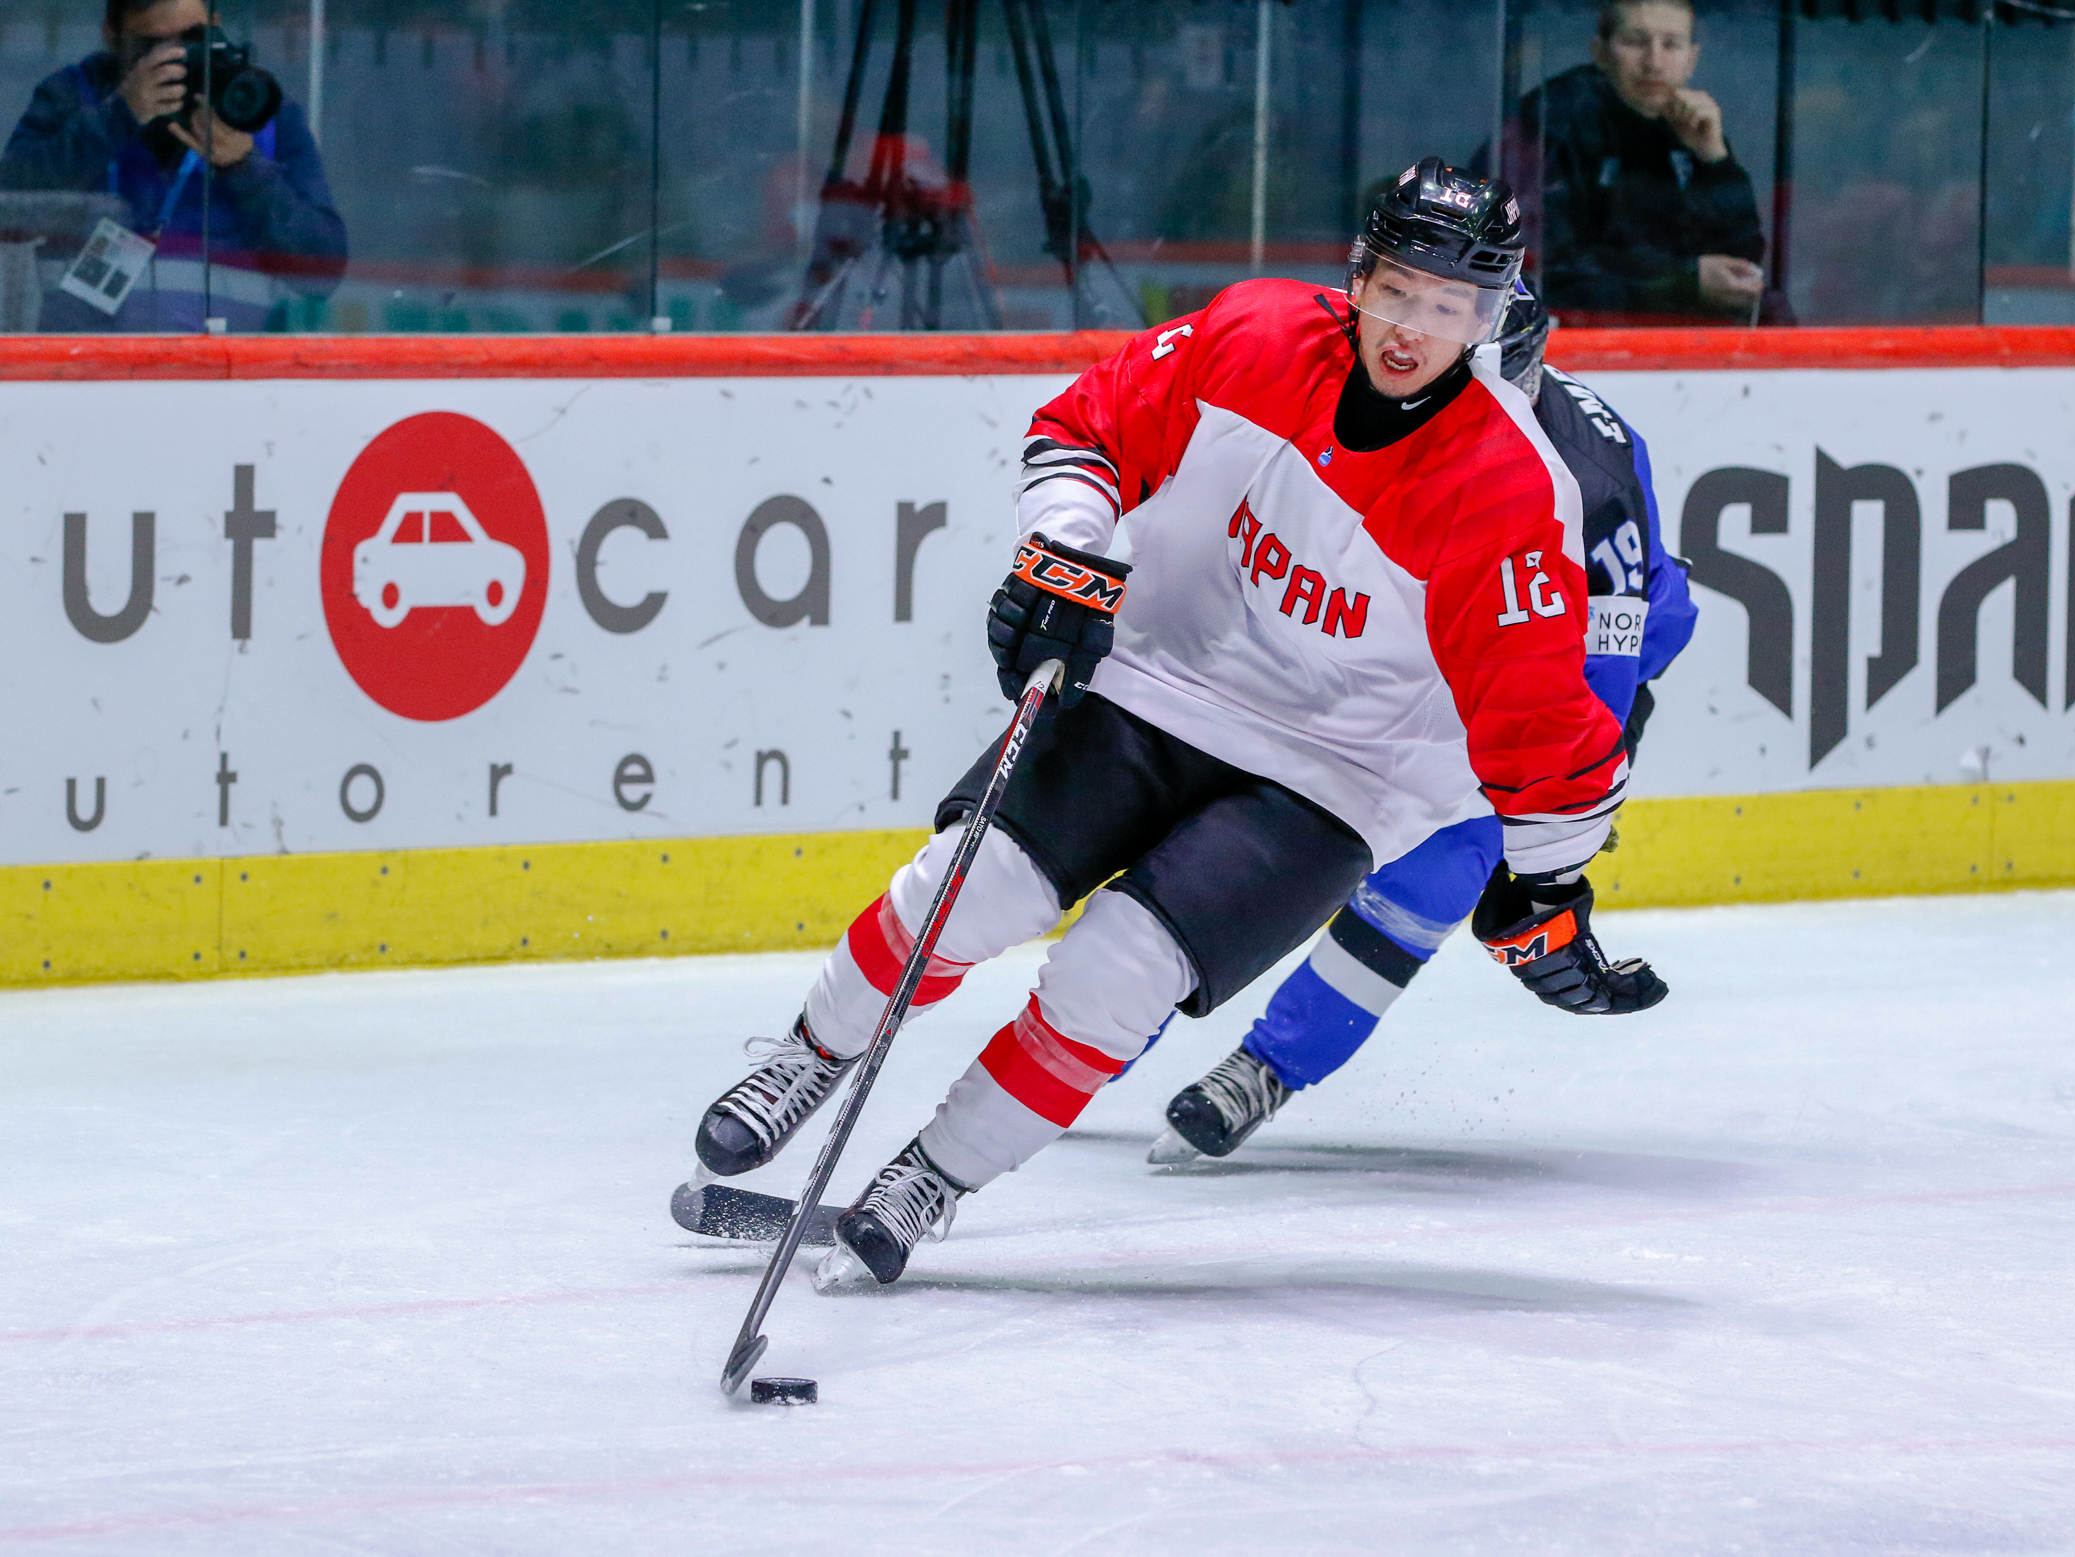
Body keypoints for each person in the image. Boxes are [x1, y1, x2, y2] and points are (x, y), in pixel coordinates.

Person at [685, 158, 1669, 1290]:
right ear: (1357, 276)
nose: (1411, 327)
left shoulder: (1507, 489)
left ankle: (931, 1177)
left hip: (1333, 778)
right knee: (965, 886)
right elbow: (1087, 428)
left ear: (1486, 320)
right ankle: (809, 1059)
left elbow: (1537, 710)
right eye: (1397, 289)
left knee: (1118, 974)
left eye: (1448, 307)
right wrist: (1064, 556)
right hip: (1156, 681)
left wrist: (1546, 884)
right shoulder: (1254, 335)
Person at [1145, 284, 1698, 1162]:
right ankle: (1113, 1020)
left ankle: (1269, 1069)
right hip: (1393, 642)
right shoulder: (1357, 392)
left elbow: (1591, 692)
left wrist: (1548, 861)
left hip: (1522, 670)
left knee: (1438, 872)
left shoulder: (1586, 478)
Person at [0, 0, 345, 332]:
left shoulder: (257, 108)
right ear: (111, 34)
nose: (173, 59)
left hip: (229, 372)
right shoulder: (74, 95)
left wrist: (244, 165)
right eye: (149, 45)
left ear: (214, 27)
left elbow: (321, 271)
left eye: (191, 39)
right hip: (81, 368)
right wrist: (118, 116)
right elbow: (11, 206)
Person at [1496, 0, 1782, 327]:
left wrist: (1715, 159)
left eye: (1671, 45)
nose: (1654, 63)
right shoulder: (1551, 124)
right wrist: (1683, 284)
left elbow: (1744, 260)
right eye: (1635, 42)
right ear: (1600, 52)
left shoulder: (1691, 127)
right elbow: (1543, 274)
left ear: (1692, 60)